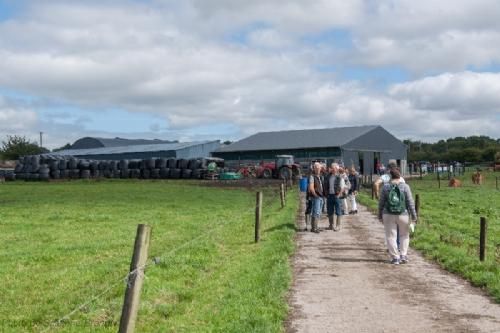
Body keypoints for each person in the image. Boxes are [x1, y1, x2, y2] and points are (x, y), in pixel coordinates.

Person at [378, 168, 417, 265]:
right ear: (400, 176)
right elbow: (410, 202)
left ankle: (395, 257)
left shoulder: (385, 187)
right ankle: (403, 255)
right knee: (404, 235)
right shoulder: (405, 187)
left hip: (388, 214)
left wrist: (379, 214)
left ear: (390, 177)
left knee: (391, 236)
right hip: (403, 214)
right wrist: (414, 216)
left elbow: (381, 203)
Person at [324, 163, 344, 231]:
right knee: (330, 211)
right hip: (329, 196)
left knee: (338, 211)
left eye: (334, 168)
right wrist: (326, 194)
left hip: (336, 196)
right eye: (332, 168)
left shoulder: (339, 177)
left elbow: (342, 187)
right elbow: (325, 185)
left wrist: (339, 195)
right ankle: (331, 225)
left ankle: (338, 226)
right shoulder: (328, 176)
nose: (332, 169)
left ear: (337, 169)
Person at [308, 162, 325, 233]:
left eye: (319, 168)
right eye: (316, 168)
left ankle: (316, 227)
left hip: (321, 197)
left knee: (318, 212)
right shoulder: (312, 176)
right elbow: (311, 188)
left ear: (320, 168)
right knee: (315, 212)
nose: (318, 169)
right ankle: (313, 228)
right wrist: (315, 195)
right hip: (316, 197)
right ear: (314, 168)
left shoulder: (320, 176)